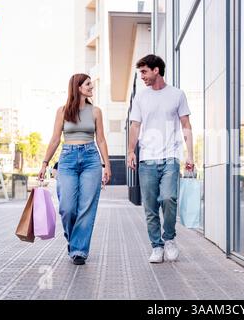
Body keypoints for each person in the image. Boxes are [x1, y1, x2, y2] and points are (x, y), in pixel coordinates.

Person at [38, 73, 111, 265]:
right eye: (88, 84)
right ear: (78, 87)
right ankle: (74, 240)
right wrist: (45, 162)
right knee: (67, 208)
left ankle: (79, 250)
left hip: (91, 159)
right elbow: (55, 139)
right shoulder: (62, 111)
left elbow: (101, 139)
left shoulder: (96, 111)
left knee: (86, 207)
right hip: (68, 159)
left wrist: (107, 165)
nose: (91, 88)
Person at [127, 54, 194, 263]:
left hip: (170, 157)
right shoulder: (140, 97)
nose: (142, 77)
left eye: (145, 72)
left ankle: (170, 239)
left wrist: (190, 154)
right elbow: (135, 125)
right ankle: (156, 246)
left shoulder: (177, 94)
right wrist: (131, 151)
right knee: (150, 207)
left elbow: (186, 125)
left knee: (168, 198)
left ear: (156, 70)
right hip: (147, 159)